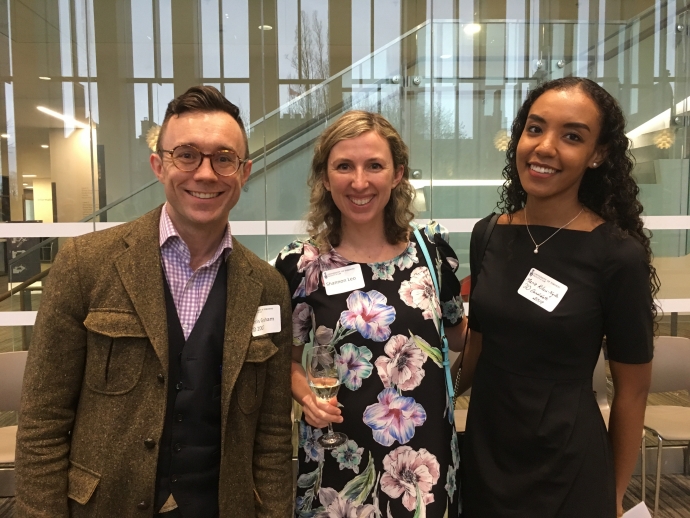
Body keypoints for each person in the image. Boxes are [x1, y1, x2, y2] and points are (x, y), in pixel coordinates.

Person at [15, 86, 294, 517]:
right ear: (158, 166)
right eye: (186, 155)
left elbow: (273, 437)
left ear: (244, 172)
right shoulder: (85, 266)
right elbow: (42, 423)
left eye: (224, 158)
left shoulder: (268, 288)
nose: (205, 173)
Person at [457, 77, 658, 517]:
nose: (545, 147)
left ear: (598, 154)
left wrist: (612, 496)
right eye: (535, 128)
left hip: (567, 465)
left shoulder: (616, 256)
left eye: (571, 136)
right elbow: (481, 345)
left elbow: (632, 393)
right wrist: (427, 392)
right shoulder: (488, 234)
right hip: (486, 454)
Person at [275, 110, 467, 517]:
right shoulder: (302, 264)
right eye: (344, 166)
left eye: (374, 166)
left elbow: (458, 334)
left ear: (397, 174)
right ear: (325, 178)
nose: (359, 182)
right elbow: (285, 361)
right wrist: (306, 396)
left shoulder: (432, 251)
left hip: (425, 464)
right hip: (339, 461)